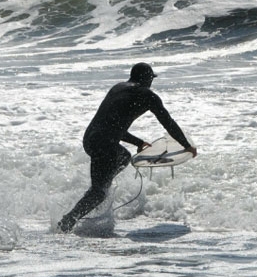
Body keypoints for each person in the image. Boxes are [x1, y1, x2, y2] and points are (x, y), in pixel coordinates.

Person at [57, 62, 197, 233]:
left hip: (91, 139)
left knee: (123, 157)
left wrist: (138, 142)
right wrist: (187, 146)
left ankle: (97, 194)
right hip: (105, 143)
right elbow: (168, 122)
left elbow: (112, 124)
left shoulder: (117, 88)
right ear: (147, 78)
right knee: (99, 192)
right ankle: (68, 221)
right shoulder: (148, 96)